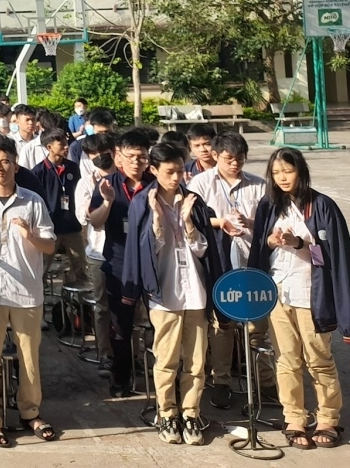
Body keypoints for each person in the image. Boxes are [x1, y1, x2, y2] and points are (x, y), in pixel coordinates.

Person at [121, 143, 223, 446]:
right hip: (163, 293)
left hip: (195, 291)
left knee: (195, 360)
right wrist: (156, 221)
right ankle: (167, 412)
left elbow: (205, 251)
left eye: (180, 170)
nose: (177, 177)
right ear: (153, 170)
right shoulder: (142, 202)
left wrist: (190, 224)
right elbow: (143, 252)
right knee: (166, 359)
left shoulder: (194, 201)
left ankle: (191, 412)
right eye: (169, 171)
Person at [248, 148, 350, 450]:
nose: (281, 177)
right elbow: (259, 249)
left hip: (312, 294)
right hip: (280, 292)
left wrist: (299, 243)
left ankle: (328, 418)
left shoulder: (322, 206)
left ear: (300, 171)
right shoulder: (268, 205)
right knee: (287, 360)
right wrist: (270, 241)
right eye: (276, 172)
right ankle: (294, 418)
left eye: (287, 171)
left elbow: (332, 257)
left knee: (319, 360)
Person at [0, 136, 57, 448]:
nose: (0, 168)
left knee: (28, 358)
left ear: (16, 164)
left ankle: (30, 412)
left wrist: (30, 234)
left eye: (5, 161)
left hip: (26, 291)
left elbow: (49, 244)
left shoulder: (33, 201)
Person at [186, 132, 272, 410]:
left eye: (239, 159)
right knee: (223, 324)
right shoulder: (200, 183)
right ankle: (221, 381)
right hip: (219, 262)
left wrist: (250, 222)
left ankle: (265, 381)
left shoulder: (259, 185)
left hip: (252, 262)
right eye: (228, 159)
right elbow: (194, 220)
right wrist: (220, 222)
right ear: (216, 155)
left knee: (258, 325)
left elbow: (269, 222)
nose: (234, 164)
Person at [90, 131, 151, 397]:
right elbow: (95, 221)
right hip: (119, 265)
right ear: (118, 156)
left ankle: (161, 379)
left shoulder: (156, 183)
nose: (137, 162)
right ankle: (121, 377)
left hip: (153, 266)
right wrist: (108, 201)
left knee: (159, 324)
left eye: (142, 157)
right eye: (131, 156)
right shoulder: (109, 184)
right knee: (121, 328)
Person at [76, 133, 117, 374]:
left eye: (103, 153)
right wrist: (104, 200)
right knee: (103, 307)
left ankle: (131, 354)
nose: (99, 159)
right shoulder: (86, 183)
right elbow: (86, 217)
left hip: (127, 253)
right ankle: (106, 354)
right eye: (93, 156)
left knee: (131, 309)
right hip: (99, 252)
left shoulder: (124, 178)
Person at [30, 129, 86, 286]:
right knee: (41, 269)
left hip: (72, 227)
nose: (66, 147)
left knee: (81, 266)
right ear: (49, 147)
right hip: (49, 229)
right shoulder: (38, 172)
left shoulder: (73, 168)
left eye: (66, 143)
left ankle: (82, 305)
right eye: (61, 144)